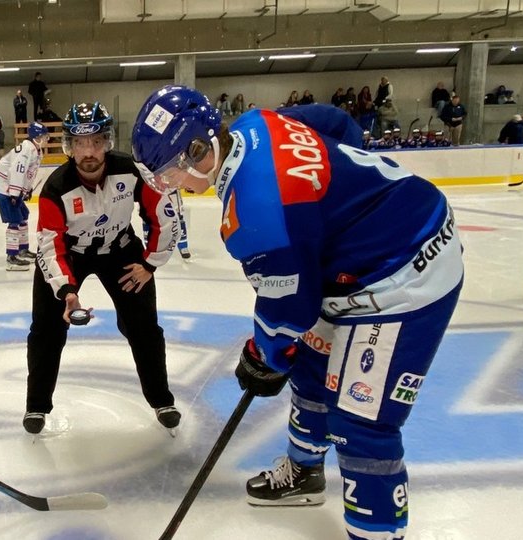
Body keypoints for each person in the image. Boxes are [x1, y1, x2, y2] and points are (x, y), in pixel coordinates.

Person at [131, 85, 464, 540]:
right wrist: (343, 203)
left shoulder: (254, 213)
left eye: (169, 172)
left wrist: (260, 354)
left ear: (197, 149)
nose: (168, 185)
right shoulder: (257, 122)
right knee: (308, 364)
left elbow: (290, 309)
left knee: (360, 419)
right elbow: (335, 123)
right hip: (365, 254)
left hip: (404, 270)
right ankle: (305, 472)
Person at [23, 102, 180, 436]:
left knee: (144, 328)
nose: (88, 151)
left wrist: (150, 264)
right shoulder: (55, 188)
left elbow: (163, 216)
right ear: (69, 146)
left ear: (107, 141)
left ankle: (161, 399)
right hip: (72, 255)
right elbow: (50, 246)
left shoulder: (133, 170)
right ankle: (36, 405)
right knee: (46, 331)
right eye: (79, 143)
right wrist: (66, 291)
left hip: (122, 252)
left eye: (95, 141)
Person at [0, 121, 49, 271]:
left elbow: (28, 174)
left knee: (23, 214)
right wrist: (15, 193)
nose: (46, 139)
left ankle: (22, 249)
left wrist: (26, 190)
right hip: (4, 188)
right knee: (15, 219)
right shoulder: (26, 150)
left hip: (9, 187)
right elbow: (17, 171)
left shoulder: (34, 149)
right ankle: (12, 257)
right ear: (36, 136)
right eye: (43, 136)